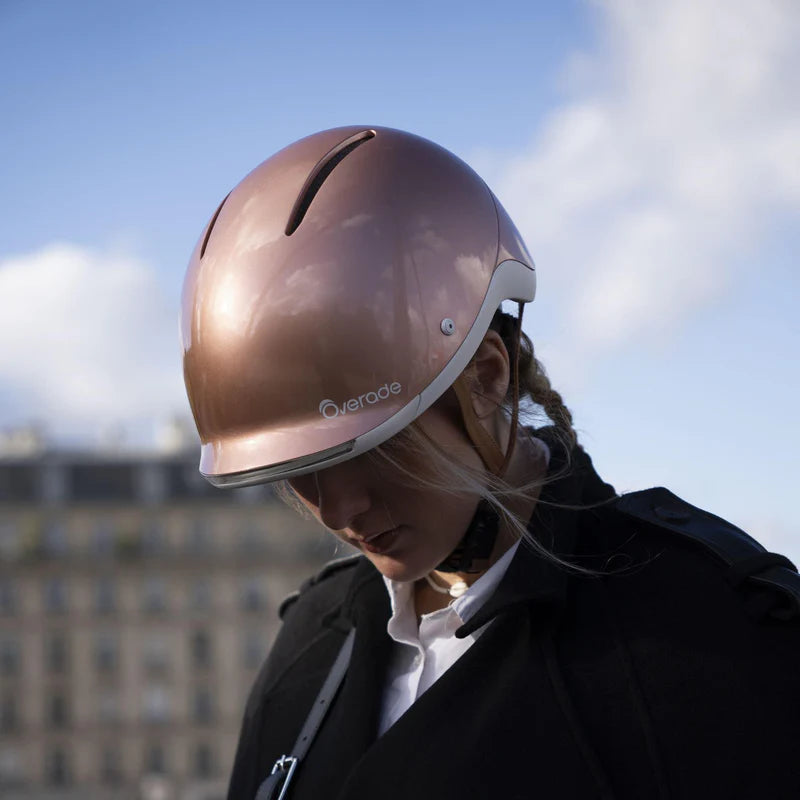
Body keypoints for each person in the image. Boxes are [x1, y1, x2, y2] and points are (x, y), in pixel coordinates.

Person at [180, 126, 800, 800]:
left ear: (486, 378)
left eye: (367, 448)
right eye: (296, 470)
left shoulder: (706, 630)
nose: (337, 510)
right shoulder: (306, 647)